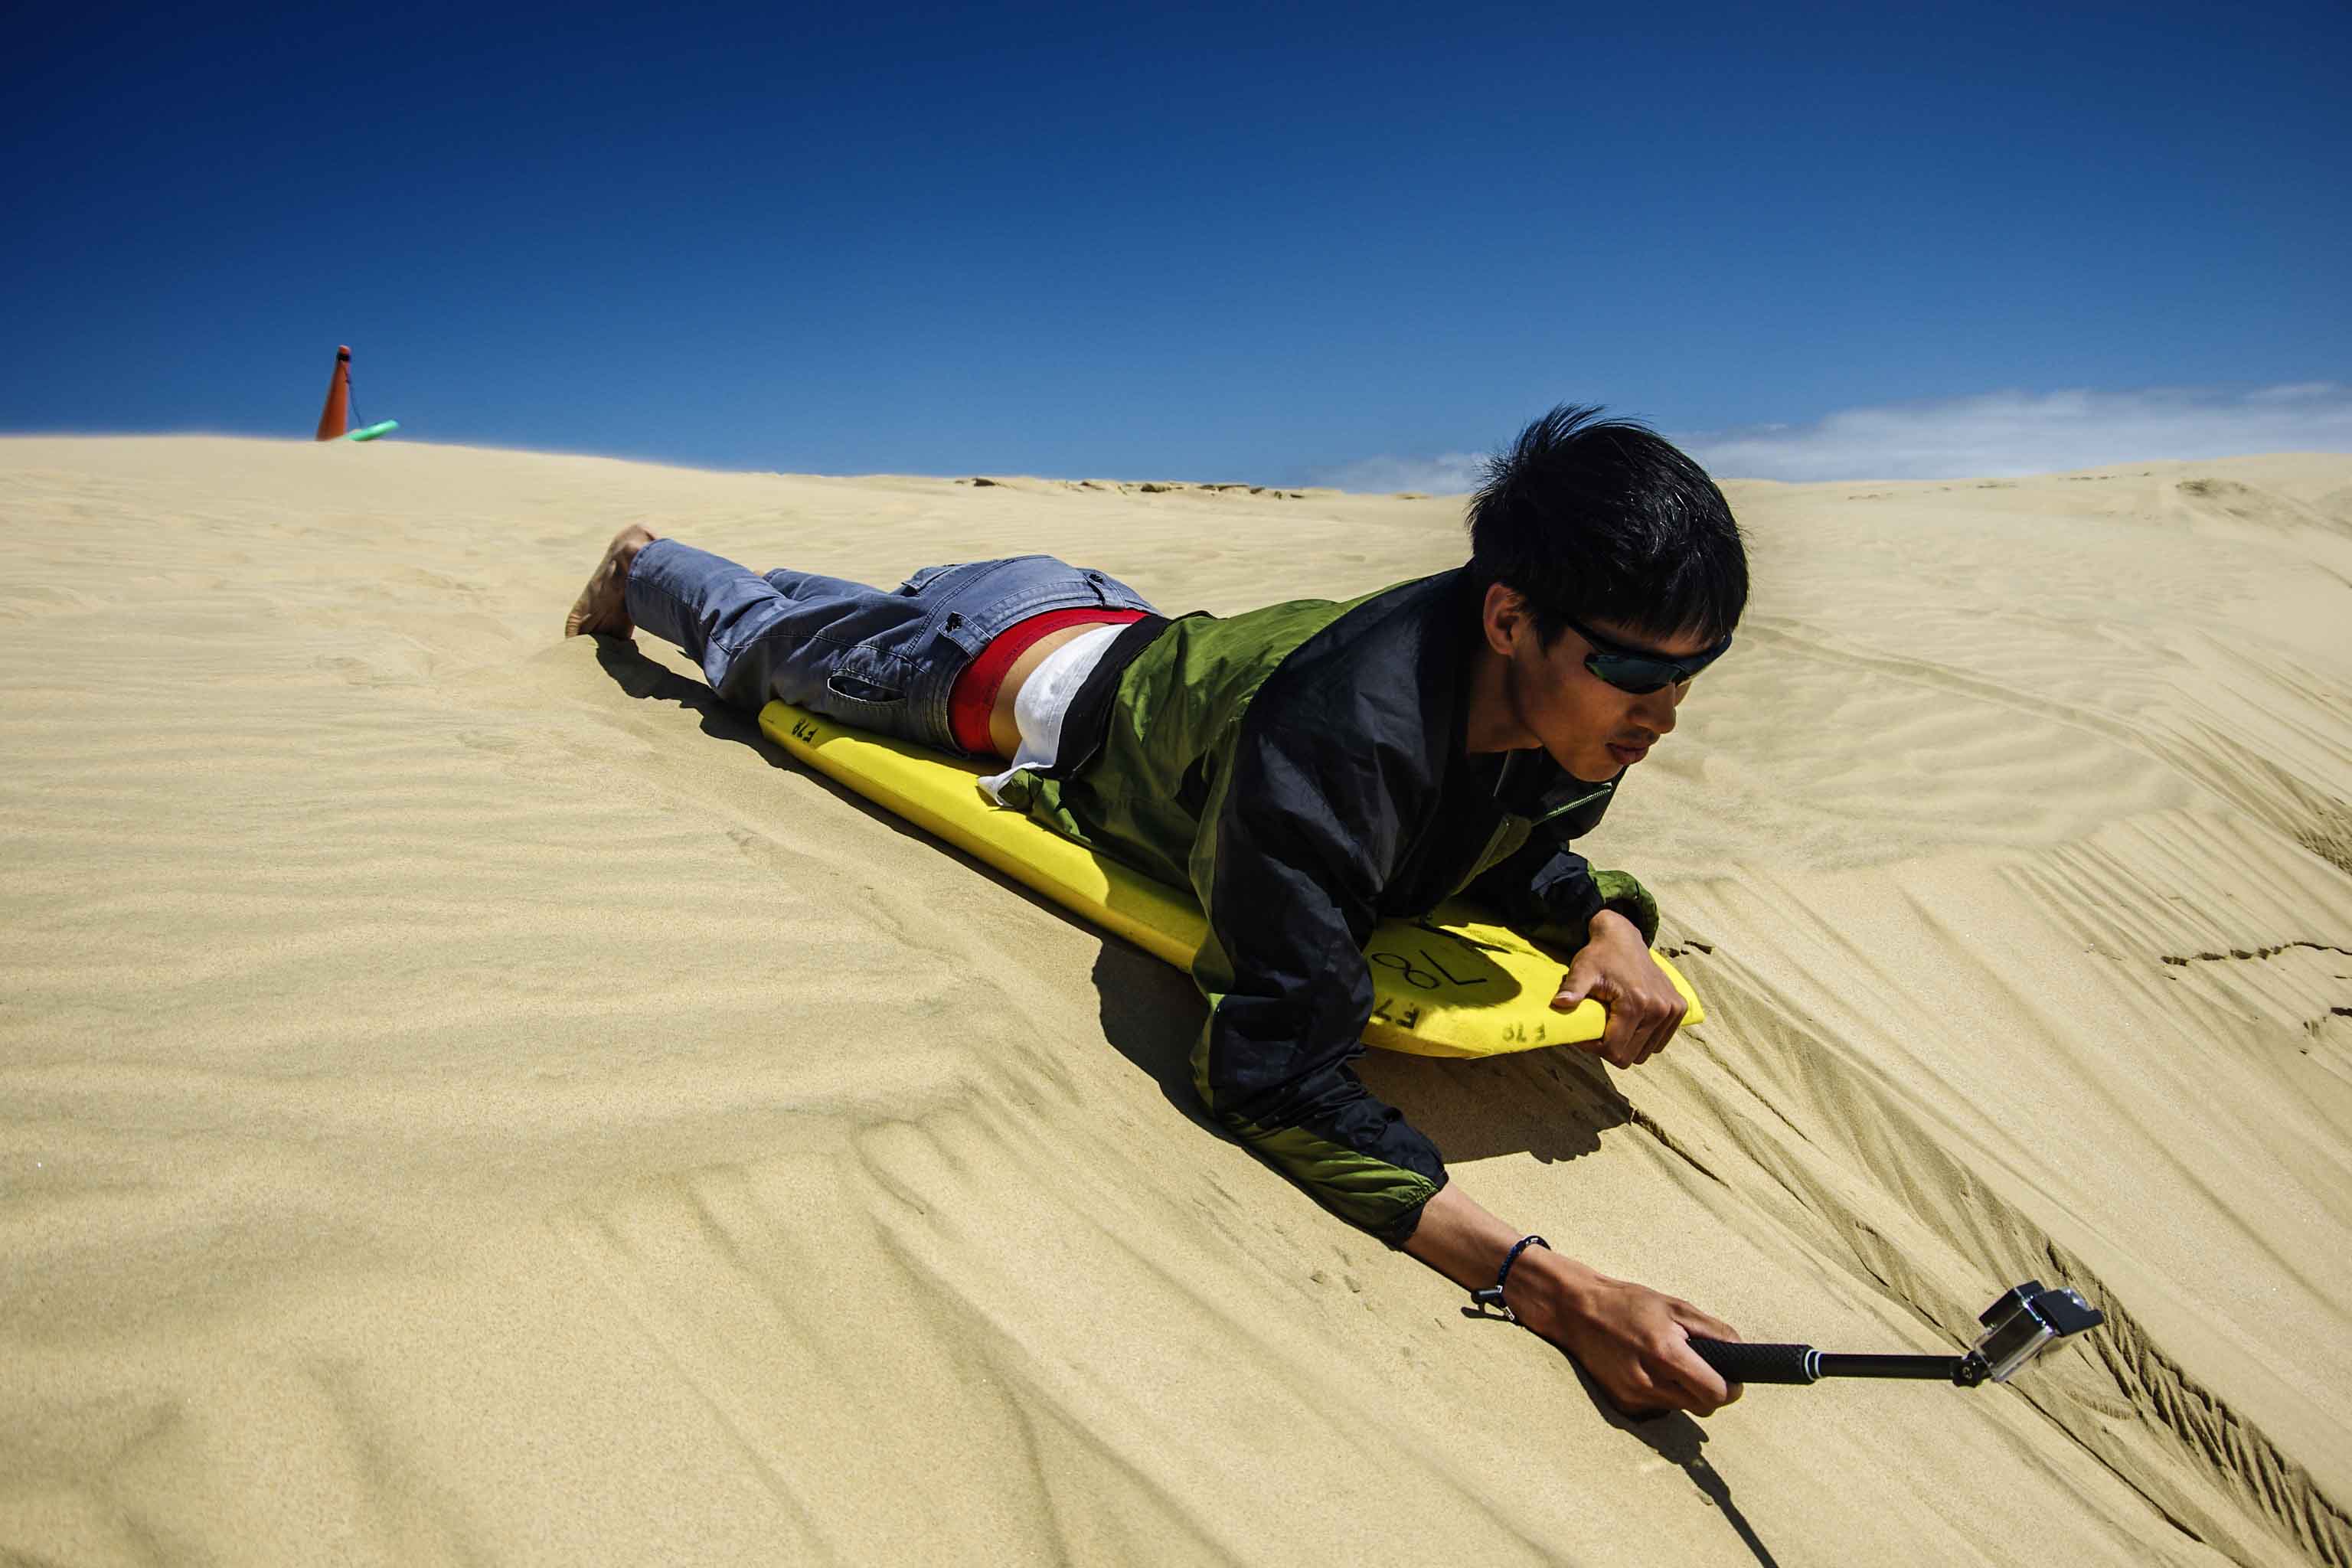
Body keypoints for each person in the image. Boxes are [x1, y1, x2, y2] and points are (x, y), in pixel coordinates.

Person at [566, 406, 1750, 1415]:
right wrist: (1552, 1287)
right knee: (755, 645)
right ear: (1507, 620)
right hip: (985, 674)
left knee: (849, 622)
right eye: (1639, 673)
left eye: (1695, 672)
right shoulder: (1338, 743)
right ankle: (646, 565)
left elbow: (1494, 843)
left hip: (1103, 622)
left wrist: (1606, 924)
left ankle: (865, 602)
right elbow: (1274, 1080)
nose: (1669, 713)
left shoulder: (1548, 714)